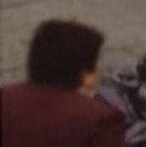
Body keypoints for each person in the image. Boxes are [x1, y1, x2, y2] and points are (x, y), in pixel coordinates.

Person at [1, 19, 125, 147]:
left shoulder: (5, 96)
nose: (100, 69)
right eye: (97, 61)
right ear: (83, 71)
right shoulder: (101, 119)